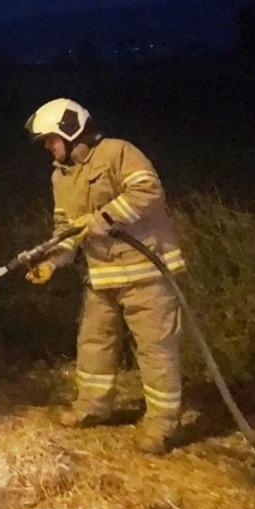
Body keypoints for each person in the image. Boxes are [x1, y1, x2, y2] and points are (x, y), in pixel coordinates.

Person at [23, 98, 187, 454]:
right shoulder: (60, 176)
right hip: (102, 278)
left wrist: (101, 219)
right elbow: (67, 230)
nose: (49, 148)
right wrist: (51, 262)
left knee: (155, 351)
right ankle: (93, 408)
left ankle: (161, 427)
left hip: (147, 274)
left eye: (51, 139)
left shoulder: (117, 152)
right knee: (94, 342)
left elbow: (147, 190)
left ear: (71, 130)